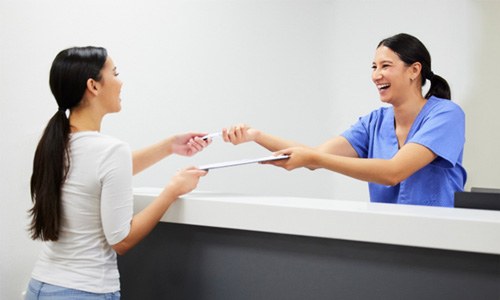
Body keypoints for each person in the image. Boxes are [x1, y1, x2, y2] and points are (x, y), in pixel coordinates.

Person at [26, 46, 209, 299]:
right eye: (115, 72)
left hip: (41, 286)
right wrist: (172, 190)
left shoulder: (55, 144)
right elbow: (121, 240)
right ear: (94, 86)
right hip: (84, 291)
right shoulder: (110, 151)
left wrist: (170, 146)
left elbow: (102, 175)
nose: (121, 82)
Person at [222, 33, 466, 207]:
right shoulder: (374, 122)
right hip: (389, 237)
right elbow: (314, 157)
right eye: (374, 66)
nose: (376, 75)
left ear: (414, 70)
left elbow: (394, 172)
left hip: (438, 237)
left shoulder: (446, 115)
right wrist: (256, 136)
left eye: (385, 66)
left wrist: (316, 158)